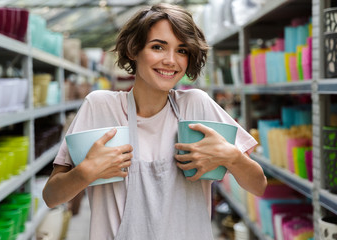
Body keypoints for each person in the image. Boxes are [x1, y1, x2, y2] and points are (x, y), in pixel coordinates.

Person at [43, 3, 267, 240]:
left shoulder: (196, 105)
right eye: (158, 47)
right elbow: (51, 197)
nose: (171, 60)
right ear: (133, 50)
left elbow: (258, 185)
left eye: (182, 50)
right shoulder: (101, 107)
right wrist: (84, 173)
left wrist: (231, 157)